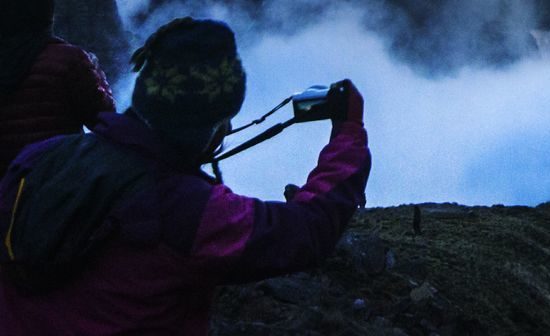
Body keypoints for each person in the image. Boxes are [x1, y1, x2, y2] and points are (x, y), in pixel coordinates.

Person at [0, 17, 371, 335]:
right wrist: (349, 131)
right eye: (224, 117)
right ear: (207, 125)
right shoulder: (190, 212)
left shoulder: (37, 160)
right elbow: (305, 231)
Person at [0, 0, 116, 172]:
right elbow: (105, 119)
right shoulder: (68, 60)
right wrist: (99, 77)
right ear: (46, 11)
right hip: (57, 182)